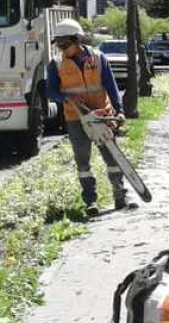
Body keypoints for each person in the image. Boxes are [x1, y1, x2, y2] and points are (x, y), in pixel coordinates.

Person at [45, 19, 133, 216]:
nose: (62, 49)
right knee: (83, 162)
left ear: (77, 40)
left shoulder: (98, 58)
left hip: (102, 114)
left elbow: (111, 86)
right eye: (59, 45)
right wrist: (66, 96)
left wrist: (119, 111)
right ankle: (90, 201)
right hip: (76, 118)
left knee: (112, 157)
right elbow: (50, 91)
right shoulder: (56, 64)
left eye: (65, 45)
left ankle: (120, 196)